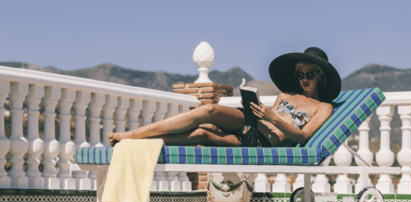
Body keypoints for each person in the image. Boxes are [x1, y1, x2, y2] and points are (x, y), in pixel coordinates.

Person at [107, 47, 342, 148]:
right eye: (300, 74)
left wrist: (273, 117)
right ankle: (131, 135)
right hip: (253, 124)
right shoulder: (285, 95)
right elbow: (266, 118)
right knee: (209, 111)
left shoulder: (323, 108)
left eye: (310, 73)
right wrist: (255, 110)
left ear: (320, 75)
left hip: (261, 142)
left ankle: (136, 141)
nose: (304, 78)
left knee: (201, 134)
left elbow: (302, 136)